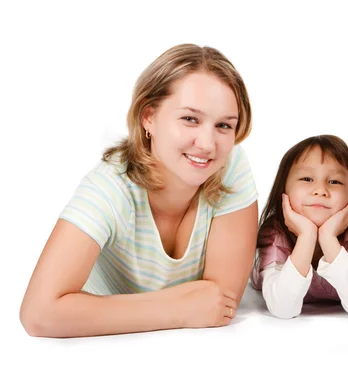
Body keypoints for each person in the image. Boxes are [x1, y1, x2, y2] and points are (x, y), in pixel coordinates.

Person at [19, 44, 259, 337]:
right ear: (149, 117)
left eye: (223, 125)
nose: (208, 144)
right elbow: (39, 313)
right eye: (190, 119)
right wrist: (177, 310)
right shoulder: (110, 187)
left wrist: (181, 308)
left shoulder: (230, 165)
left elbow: (220, 300)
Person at [250, 135, 348, 319]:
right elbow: (283, 308)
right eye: (306, 179)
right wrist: (306, 237)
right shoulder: (274, 234)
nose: (320, 190)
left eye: (334, 181)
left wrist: (328, 238)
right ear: (283, 190)